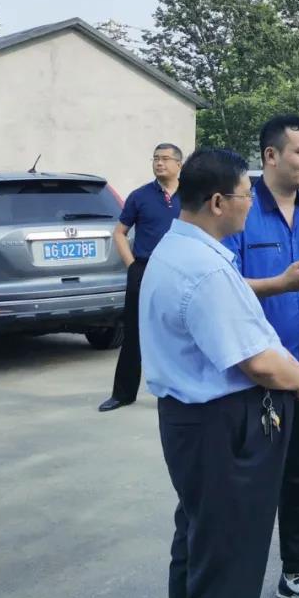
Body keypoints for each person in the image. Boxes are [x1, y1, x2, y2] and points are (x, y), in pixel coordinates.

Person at [141, 148, 299, 598]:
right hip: (222, 428)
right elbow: (257, 362)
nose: (251, 204)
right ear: (218, 202)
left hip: (191, 423)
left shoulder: (175, 250)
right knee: (230, 555)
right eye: (245, 195)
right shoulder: (206, 269)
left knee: (201, 542)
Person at [223, 115, 299, 598]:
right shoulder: (240, 211)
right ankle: (234, 583)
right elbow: (221, 284)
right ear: (271, 156)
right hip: (254, 377)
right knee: (250, 485)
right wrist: (280, 284)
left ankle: (294, 573)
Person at [98, 143, 183, 412]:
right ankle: (123, 393)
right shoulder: (140, 196)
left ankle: (179, 391)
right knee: (134, 332)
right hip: (145, 269)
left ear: (179, 164)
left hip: (181, 271)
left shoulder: (192, 196)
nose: (159, 163)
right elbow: (119, 233)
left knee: (179, 332)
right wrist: (132, 265)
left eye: (165, 159)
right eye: (156, 158)